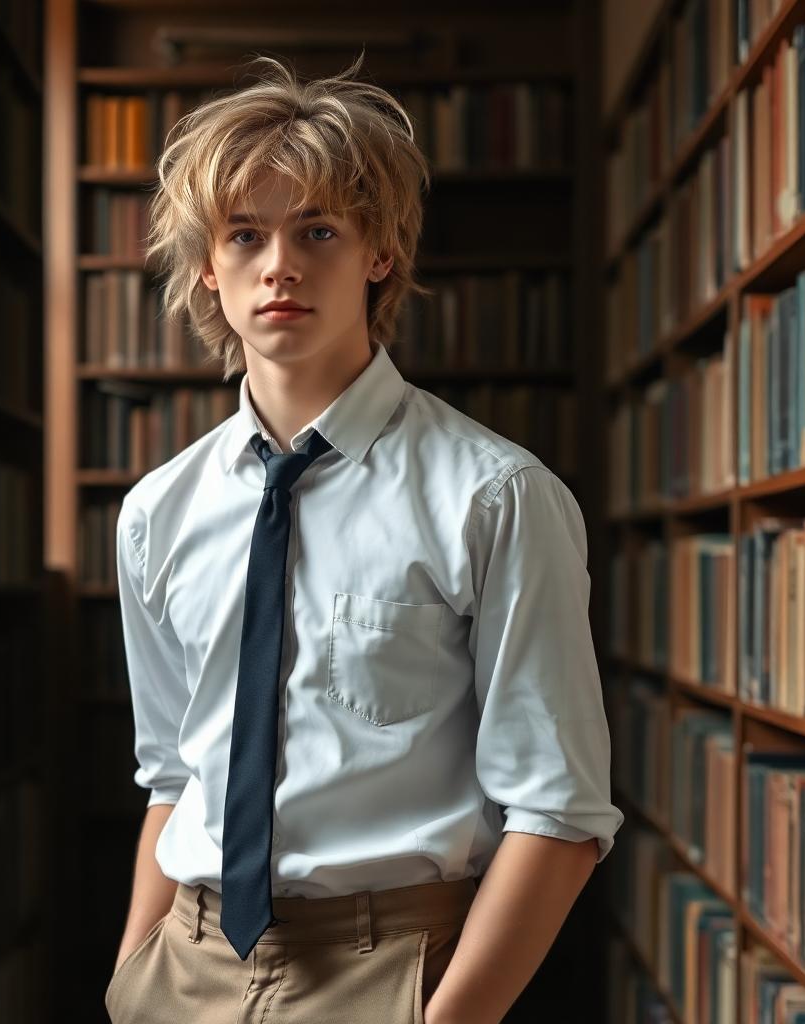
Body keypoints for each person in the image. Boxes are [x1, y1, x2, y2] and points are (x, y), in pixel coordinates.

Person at [108, 49, 623, 1024]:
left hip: (388, 967)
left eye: (319, 230)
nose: (280, 265)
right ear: (209, 267)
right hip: (183, 966)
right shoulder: (156, 511)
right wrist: (131, 978)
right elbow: (173, 772)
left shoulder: (495, 496)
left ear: (378, 252)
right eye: (245, 234)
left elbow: (559, 812)